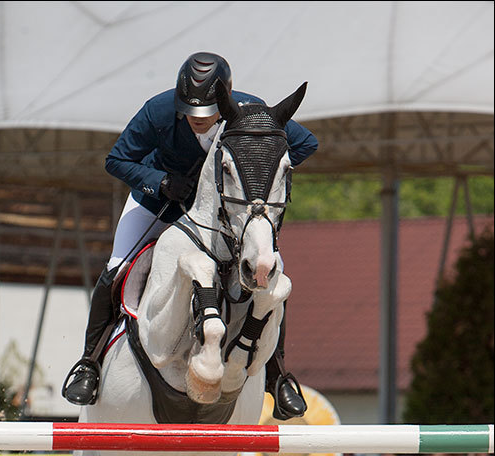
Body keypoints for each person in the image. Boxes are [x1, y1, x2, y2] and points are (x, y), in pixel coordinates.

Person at [62, 52, 318, 419]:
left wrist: (253, 171)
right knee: (117, 267)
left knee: (271, 272)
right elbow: (116, 160)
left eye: (207, 113)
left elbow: (306, 144)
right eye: (190, 113)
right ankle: (89, 363)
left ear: (226, 97)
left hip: (224, 217)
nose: (197, 121)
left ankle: (275, 377)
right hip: (161, 204)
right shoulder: (159, 110)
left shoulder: (252, 112)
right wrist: (161, 182)